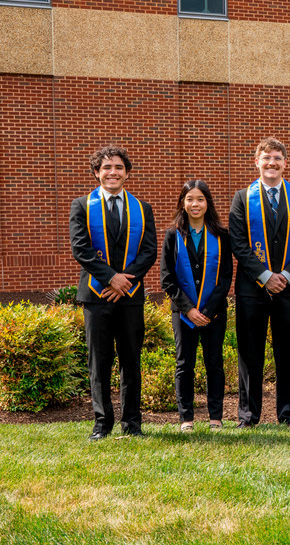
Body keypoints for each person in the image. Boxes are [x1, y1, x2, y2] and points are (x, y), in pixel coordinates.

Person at [229, 136, 290, 428]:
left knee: (289, 352)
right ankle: (248, 416)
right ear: (257, 162)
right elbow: (238, 244)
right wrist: (266, 276)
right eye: (266, 158)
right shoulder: (242, 198)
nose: (272, 163)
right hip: (252, 289)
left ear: (285, 164)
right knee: (250, 353)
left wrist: (286, 276)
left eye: (277, 158)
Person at [69, 146, 157, 441]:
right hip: (96, 295)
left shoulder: (142, 208)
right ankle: (102, 423)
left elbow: (149, 251)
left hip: (130, 297)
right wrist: (111, 279)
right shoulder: (82, 205)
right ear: (97, 172)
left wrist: (124, 283)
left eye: (119, 167)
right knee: (100, 361)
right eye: (106, 167)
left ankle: (132, 423)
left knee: (131, 360)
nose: (113, 172)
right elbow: (80, 248)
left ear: (127, 173)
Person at [160, 180, 233, 432]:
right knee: (185, 364)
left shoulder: (221, 236)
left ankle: (216, 417)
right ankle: (186, 419)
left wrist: (208, 310)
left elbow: (225, 277)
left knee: (214, 363)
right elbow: (167, 278)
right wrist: (189, 309)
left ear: (207, 203)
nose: (195, 204)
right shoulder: (173, 235)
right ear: (182, 203)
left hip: (214, 312)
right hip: (183, 313)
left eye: (200, 199)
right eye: (190, 199)